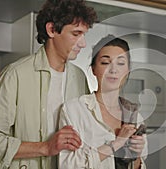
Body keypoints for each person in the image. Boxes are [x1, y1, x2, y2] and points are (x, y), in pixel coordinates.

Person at [0, 0, 97, 168]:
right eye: (76, 34)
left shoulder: (79, 77)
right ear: (52, 30)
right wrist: (45, 147)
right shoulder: (16, 75)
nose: (83, 44)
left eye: (84, 35)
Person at [58, 35, 147, 169]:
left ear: (128, 71)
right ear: (93, 69)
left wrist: (137, 156)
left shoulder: (136, 118)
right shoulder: (74, 110)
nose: (113, 70)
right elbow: (67, 165)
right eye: (105, 62)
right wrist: (117, 143)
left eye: (121, 63)